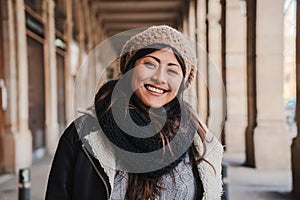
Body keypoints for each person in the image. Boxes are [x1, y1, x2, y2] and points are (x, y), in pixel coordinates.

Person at [45, 25, 223, 200]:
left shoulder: (199, 140)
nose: (159, 78)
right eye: (150, 64)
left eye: (172, 70)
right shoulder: (83, 134)